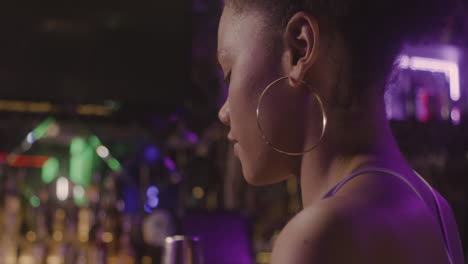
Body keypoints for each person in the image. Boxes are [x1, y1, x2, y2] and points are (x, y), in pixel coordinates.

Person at [216, 0, 465, 263]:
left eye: (229, 74)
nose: (224, 113)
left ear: (299, 49)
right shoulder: (433, 205)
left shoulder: (317, 238)